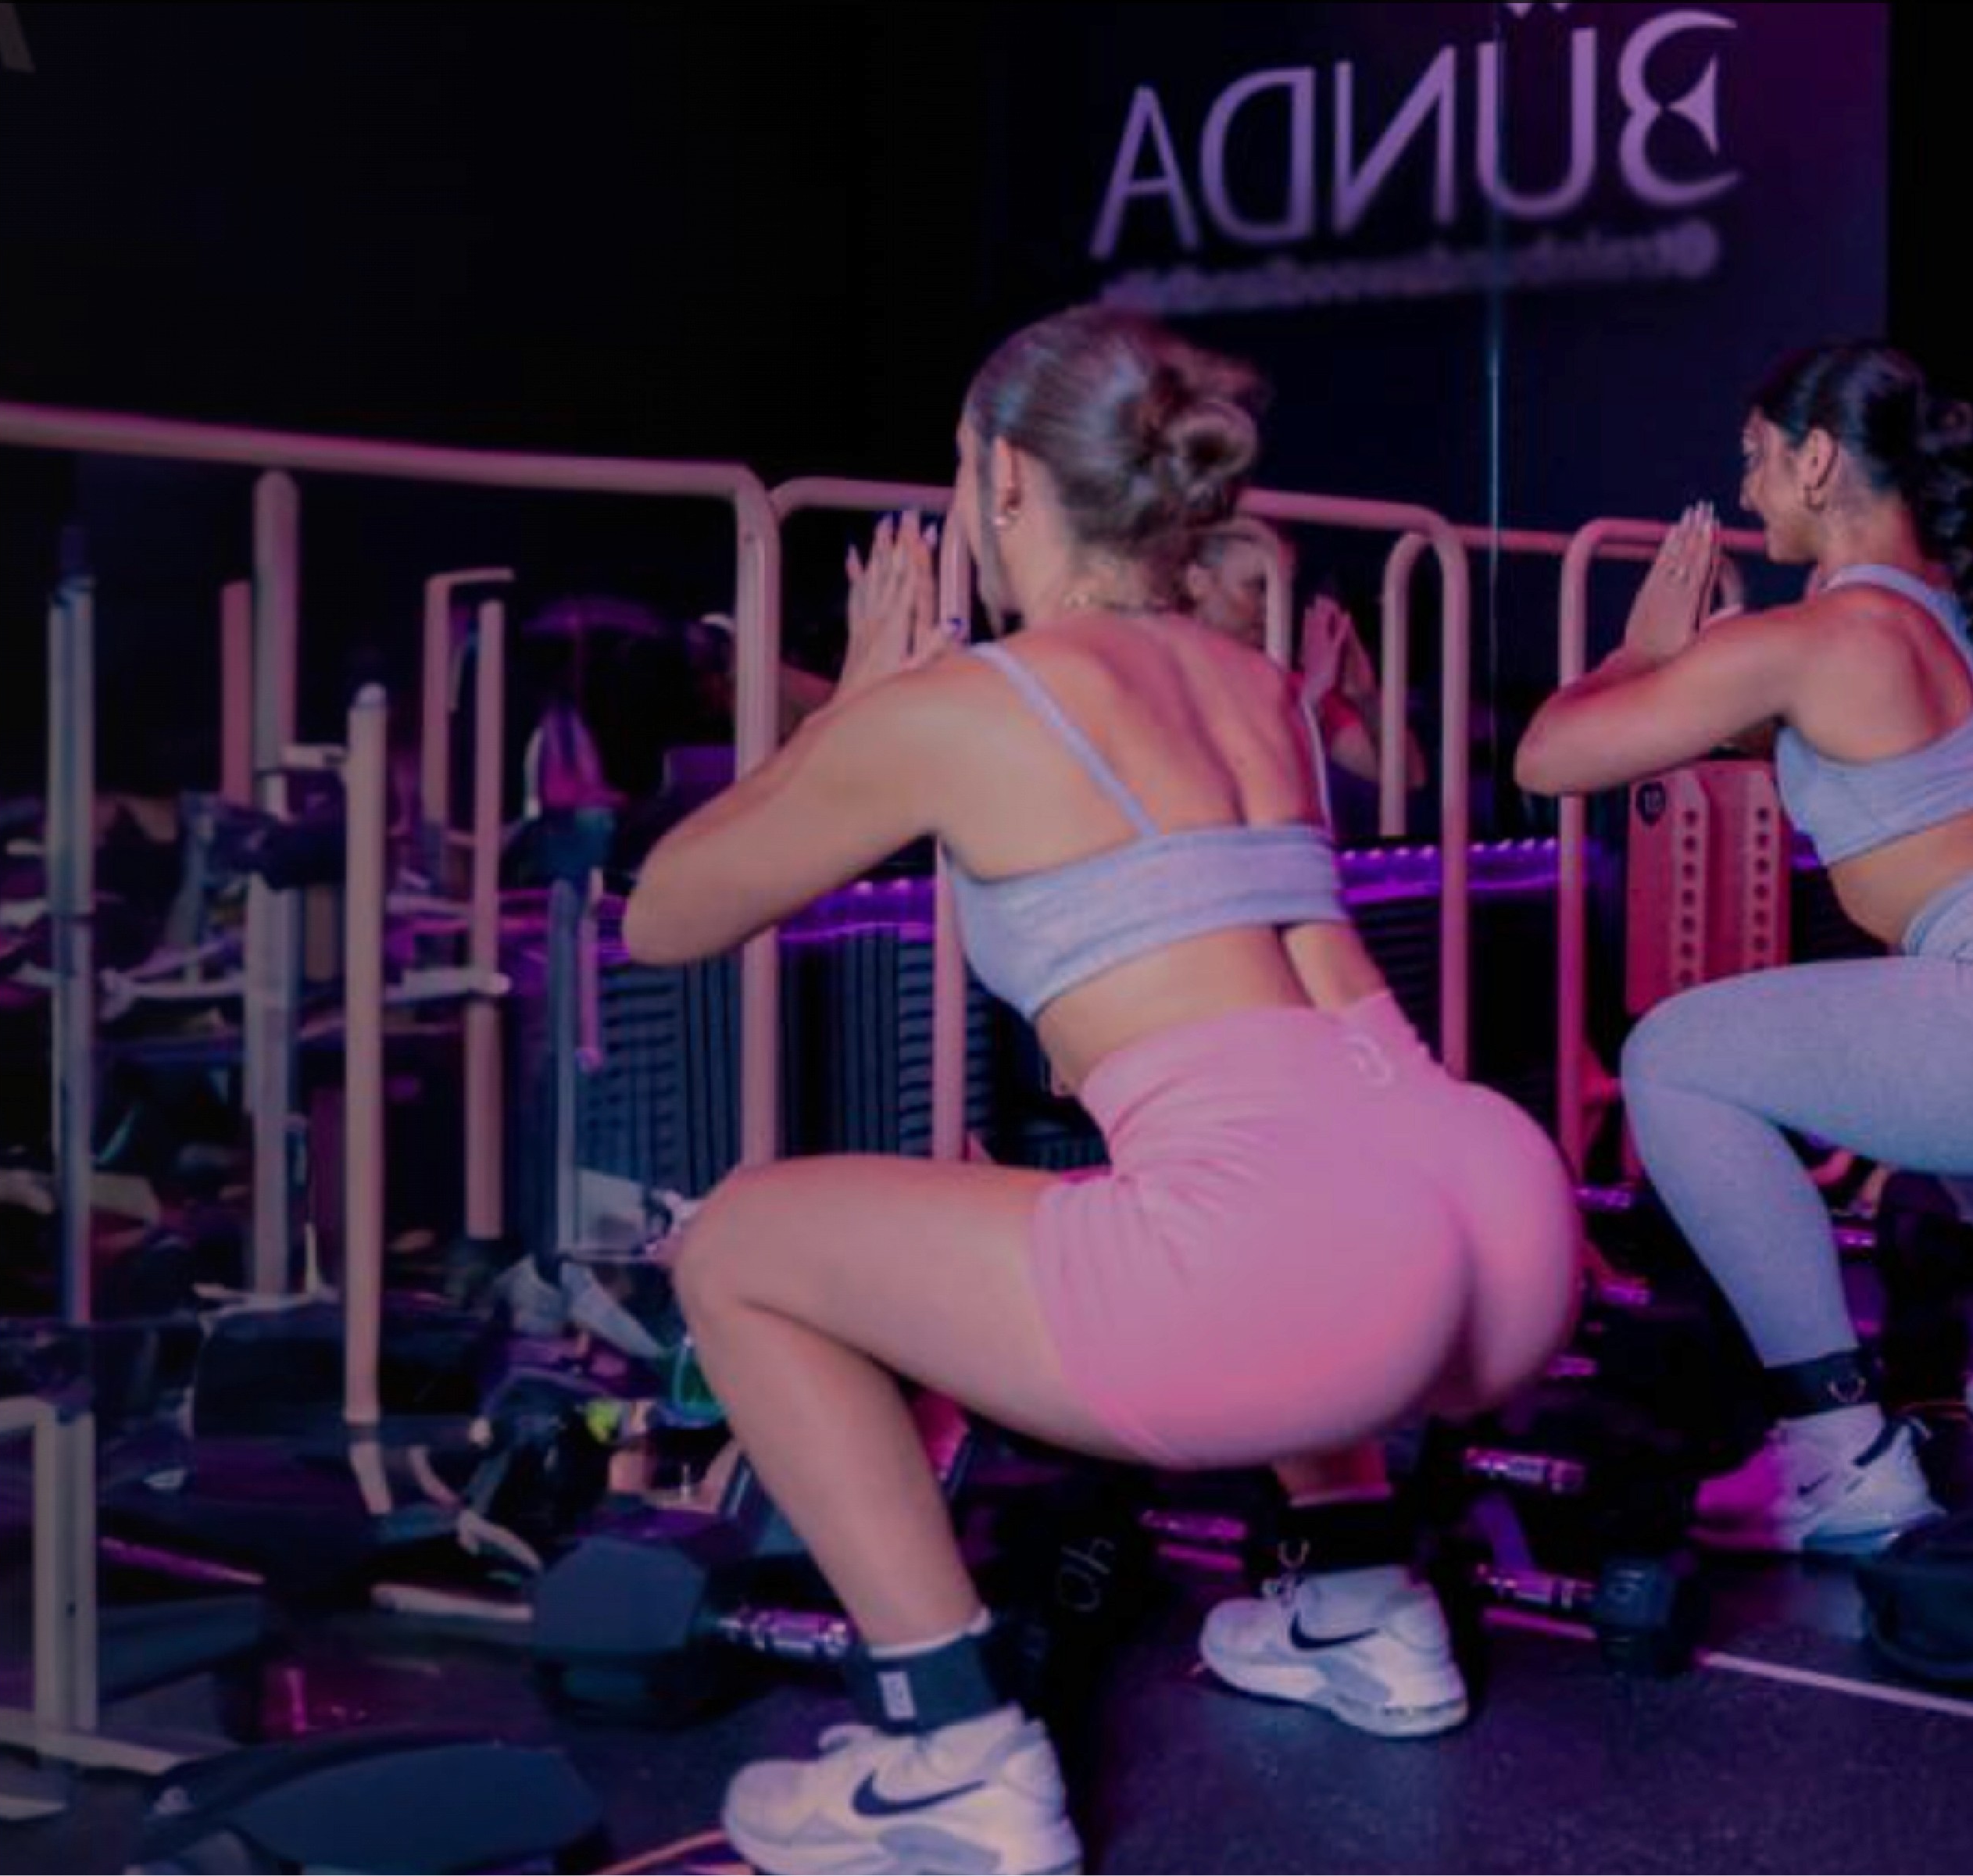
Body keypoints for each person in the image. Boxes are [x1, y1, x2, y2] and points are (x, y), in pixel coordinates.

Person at [623, 306, 1579, 1874]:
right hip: (1488, 1202)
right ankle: (1358, 1599)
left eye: (957, 471)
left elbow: (666, 913)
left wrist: (856, 706)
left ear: (1004, 478)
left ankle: (954, 1749)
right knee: (1245, 1174)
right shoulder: (1258, 687)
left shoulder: (970, 702)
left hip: (1304, 1267)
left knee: (737, 1244)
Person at [1516, 342, 1973, 1554]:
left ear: (1816, 460)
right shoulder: (1938, 623)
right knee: (1932, 1048)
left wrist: (1647, 653)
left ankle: (1842, 1452)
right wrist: (1714, 686)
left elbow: (1547, 758)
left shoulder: (1819, 633)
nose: (1747, 488)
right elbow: (1833, 753)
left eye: (1757, 459)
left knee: (1672, 1057)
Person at [1184, 515, 1430, 795]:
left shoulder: (1291, 685)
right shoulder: (1160, 673)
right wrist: (1307, 707)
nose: (1275, 605)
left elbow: (1409, 777)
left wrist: (1365, 695)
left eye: (1284, 589)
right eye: (1260, 586)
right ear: (1197, 582)